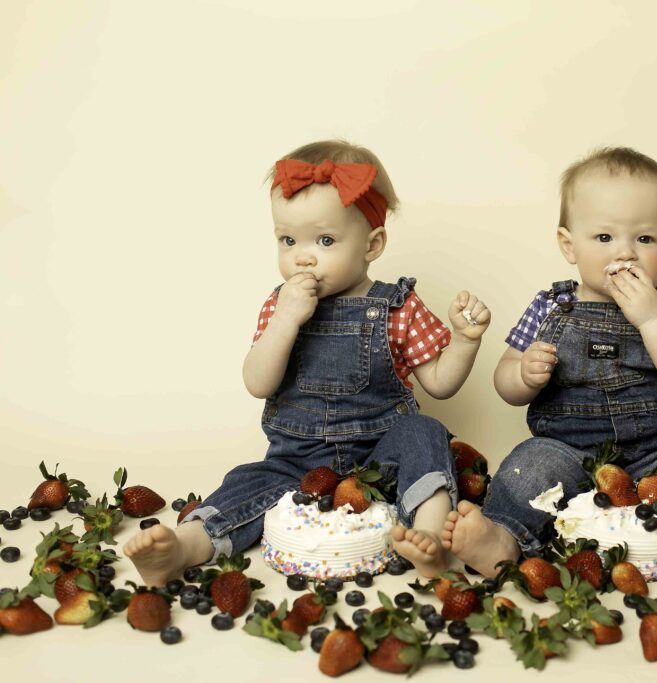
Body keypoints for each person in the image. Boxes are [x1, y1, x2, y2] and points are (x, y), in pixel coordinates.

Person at [126, 139, 489, 583]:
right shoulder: (280, 305)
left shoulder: (397, 306)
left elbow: (439, 382)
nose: (303, 255)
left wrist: (466, 341)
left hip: (381, 453)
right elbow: (258, 382)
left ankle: (429, 538)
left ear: (373, 244)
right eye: (287, 239)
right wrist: (286, 321)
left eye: (325, 240)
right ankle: (185, 546)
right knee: (248, 481)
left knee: (425, 432)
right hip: (296, 460)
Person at [442, 147, 657, 589]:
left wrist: (652, 319)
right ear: (569, 245)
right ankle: (501, 542)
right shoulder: (552, 305)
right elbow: (505, 381)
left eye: (644, 239)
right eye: (604, 238)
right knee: (526, 467)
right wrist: (523, 373)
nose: (625, 253)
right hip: (568, 453)